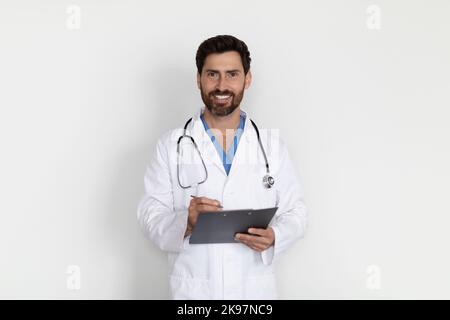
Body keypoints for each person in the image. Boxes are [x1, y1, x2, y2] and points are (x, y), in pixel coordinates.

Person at [137, 35, 308, 299]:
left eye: (232, 74)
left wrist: (275, 235)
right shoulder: (171, 145)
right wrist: (188, 221)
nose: (222, 85)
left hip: (253, 292)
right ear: (199, 79)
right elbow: (150, 216)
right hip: (195, 292)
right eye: (212, 74)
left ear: (247, 79)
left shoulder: (272, 146)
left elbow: (297, 212)